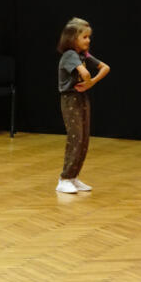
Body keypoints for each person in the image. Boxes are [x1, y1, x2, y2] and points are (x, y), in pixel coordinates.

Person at [56, 17, 110, 193]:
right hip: (70, 99)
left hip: (81, 97)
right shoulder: (70, 55)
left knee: (84, 139)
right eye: (84, 37)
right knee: (76, 138)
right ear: (73, 39)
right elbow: (85, 73)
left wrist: (91, 83)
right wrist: (88, 81)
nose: (88, 40)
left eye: (89, 37)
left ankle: (73, 177)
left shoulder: (82, 55)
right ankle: (64, 179)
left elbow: (105, 67)